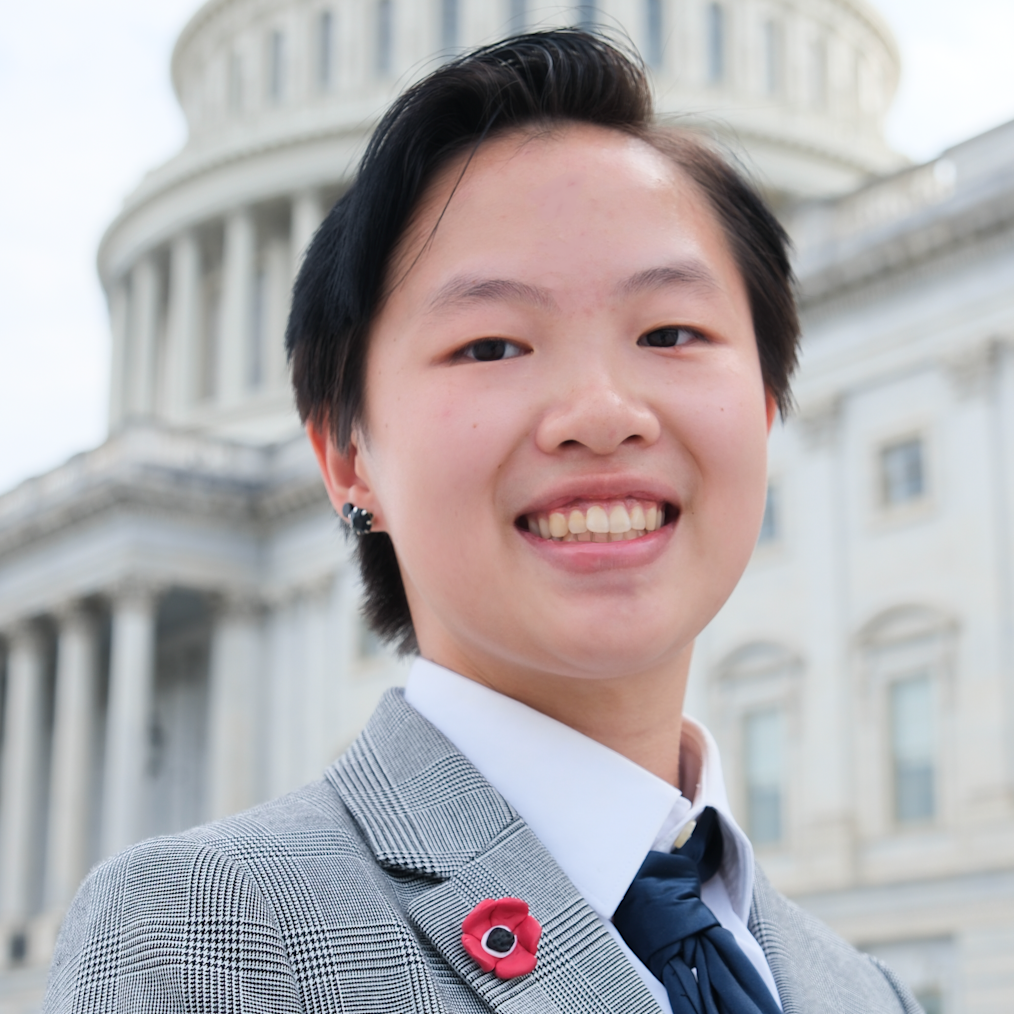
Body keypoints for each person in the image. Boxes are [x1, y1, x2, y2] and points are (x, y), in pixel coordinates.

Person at [45, 30, 920, 1014]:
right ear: (348, 457)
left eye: (671, 333)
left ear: (764, 407)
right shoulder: (206, 931)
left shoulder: (862, 991)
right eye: (493, 345)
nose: (602, 413)